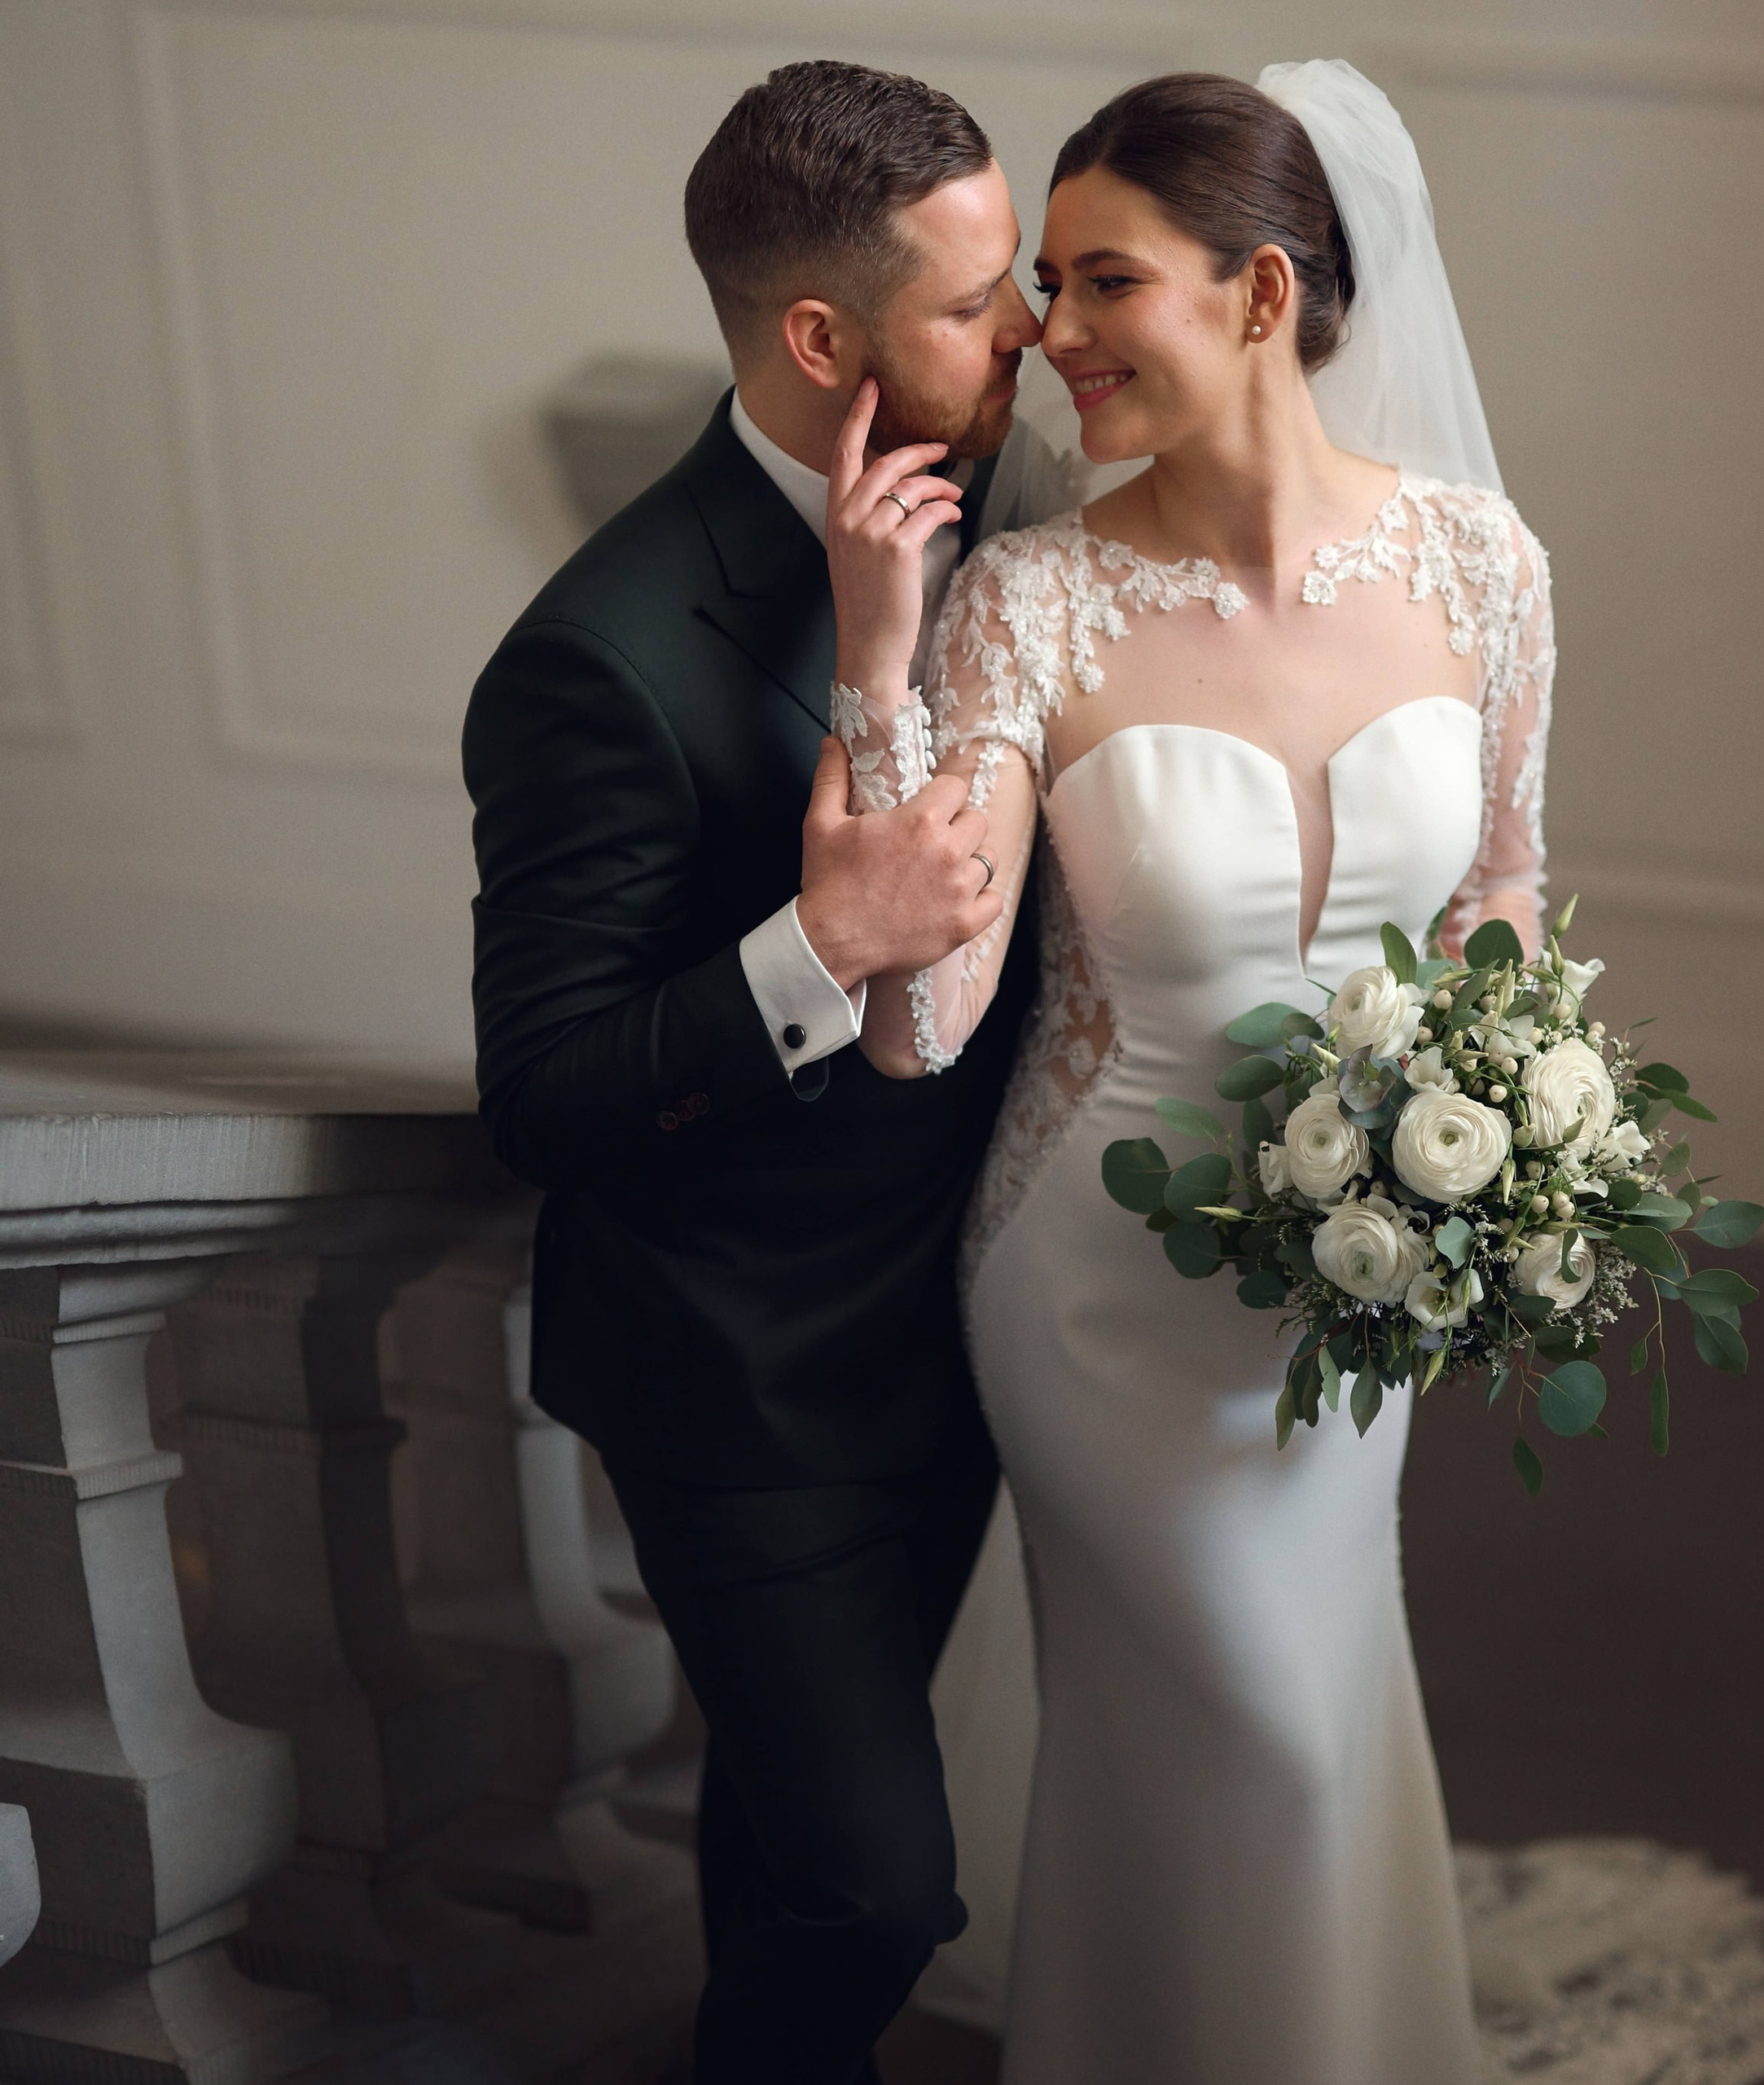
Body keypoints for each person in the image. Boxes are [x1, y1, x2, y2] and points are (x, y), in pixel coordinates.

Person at [828, 62, 1551, 2082]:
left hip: (1359, 1278)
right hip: (1101, 1290)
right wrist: (880, 671)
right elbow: (923, 1024)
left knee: (1300, 1705)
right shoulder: (1027, 601)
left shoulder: (1484, 567)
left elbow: (1498, 879)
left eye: (1101, 280)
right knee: (1256, 1717)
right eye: (1042, 285)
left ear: (1260, 293)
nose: (1046, 333)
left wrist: (1488, 1134)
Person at [462, 60, 1078, 2085]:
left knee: (786, 1835)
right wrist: (823, 943)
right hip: (744, 1380)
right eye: (975, 301)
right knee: (877, 1888)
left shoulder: (1021, 501)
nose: (1028, 328)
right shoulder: (600, 657)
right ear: (821, 340)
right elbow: (543, 1090)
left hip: (956, 1329)